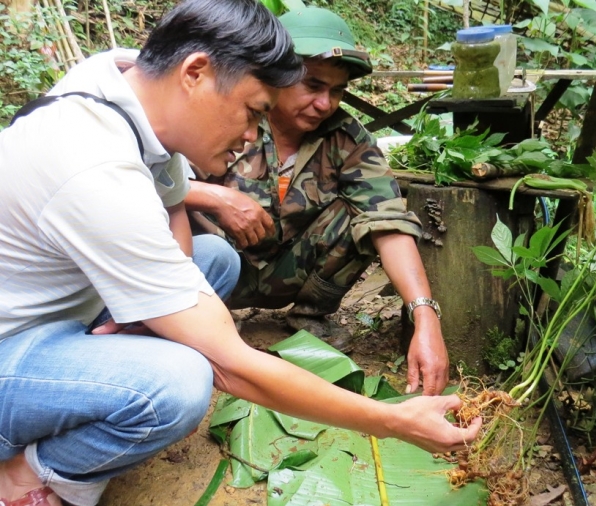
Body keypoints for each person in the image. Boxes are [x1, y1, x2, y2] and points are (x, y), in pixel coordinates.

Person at [0, 1, 481, 506]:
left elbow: (172, 205)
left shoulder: (128, 87)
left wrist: (156, 308)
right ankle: (29, 474)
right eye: (253, 112)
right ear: (196, 73)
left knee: (210, 260)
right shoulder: (93, 168)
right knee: (176, 383)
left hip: (54, 310)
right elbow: (229, 367)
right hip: (14, 344)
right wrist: (391, 421)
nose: (252, 134)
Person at [186, 6, 450, 397]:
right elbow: (147, 183)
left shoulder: (347, 136)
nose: (325, 103)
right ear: (277, 75)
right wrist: (212, 195)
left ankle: (310, 318)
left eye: (337, 90)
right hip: (216, 268)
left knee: (363, 216)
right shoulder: (227, 114)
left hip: (290, 274)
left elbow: (388, 220)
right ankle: (196, 320)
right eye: (312, 85)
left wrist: (425, 317)